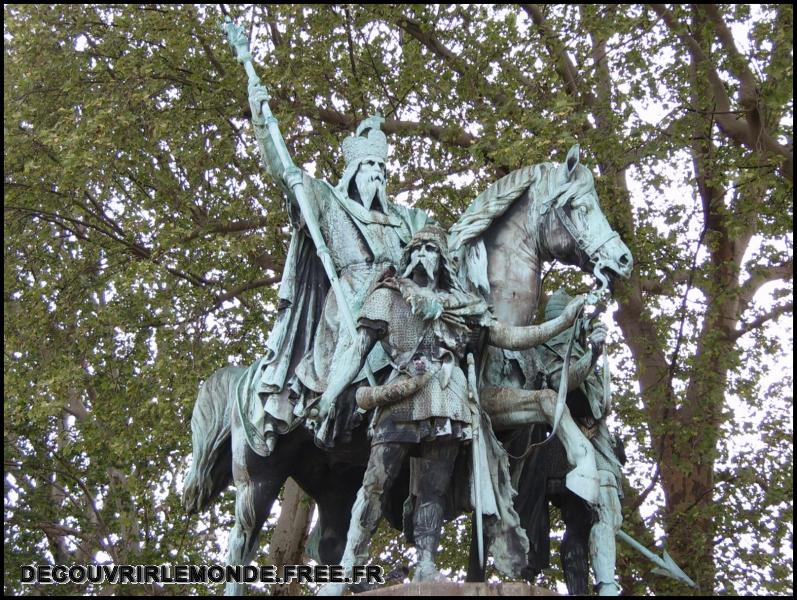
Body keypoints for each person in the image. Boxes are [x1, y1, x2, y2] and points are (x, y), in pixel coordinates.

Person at [315, 226, 586, 594]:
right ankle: (350, 563)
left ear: (442, 261)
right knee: (375, 483)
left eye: (432, 250)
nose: (424, 255)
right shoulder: (386, 297)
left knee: (433, 491)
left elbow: (510, 337)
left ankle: (426, 563)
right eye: (419, 249)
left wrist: (562, 322)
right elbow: (356, 352)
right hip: (398, 397)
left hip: (448, 401)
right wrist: (332, 393)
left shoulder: (464, 307)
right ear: (408, 257)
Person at [241, 82, 431, 455]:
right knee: (356, 334)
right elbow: (284, 171)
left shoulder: (405, 219)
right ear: (353, 171)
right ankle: (327, 407)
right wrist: (263, 122)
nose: (376, 173)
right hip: (352, 294)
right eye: (368, 165)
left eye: (381, 166)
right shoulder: (331, 202)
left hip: (402, 296)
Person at [538, 289, 625, 596]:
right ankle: (591, 588)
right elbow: (560, 383)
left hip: (596, 442)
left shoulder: (582, 348)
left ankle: (605, 584)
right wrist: (594, 354)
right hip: (563, 447)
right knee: (577, 519)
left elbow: (600, 404)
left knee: (600, 517)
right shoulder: (547, 347)